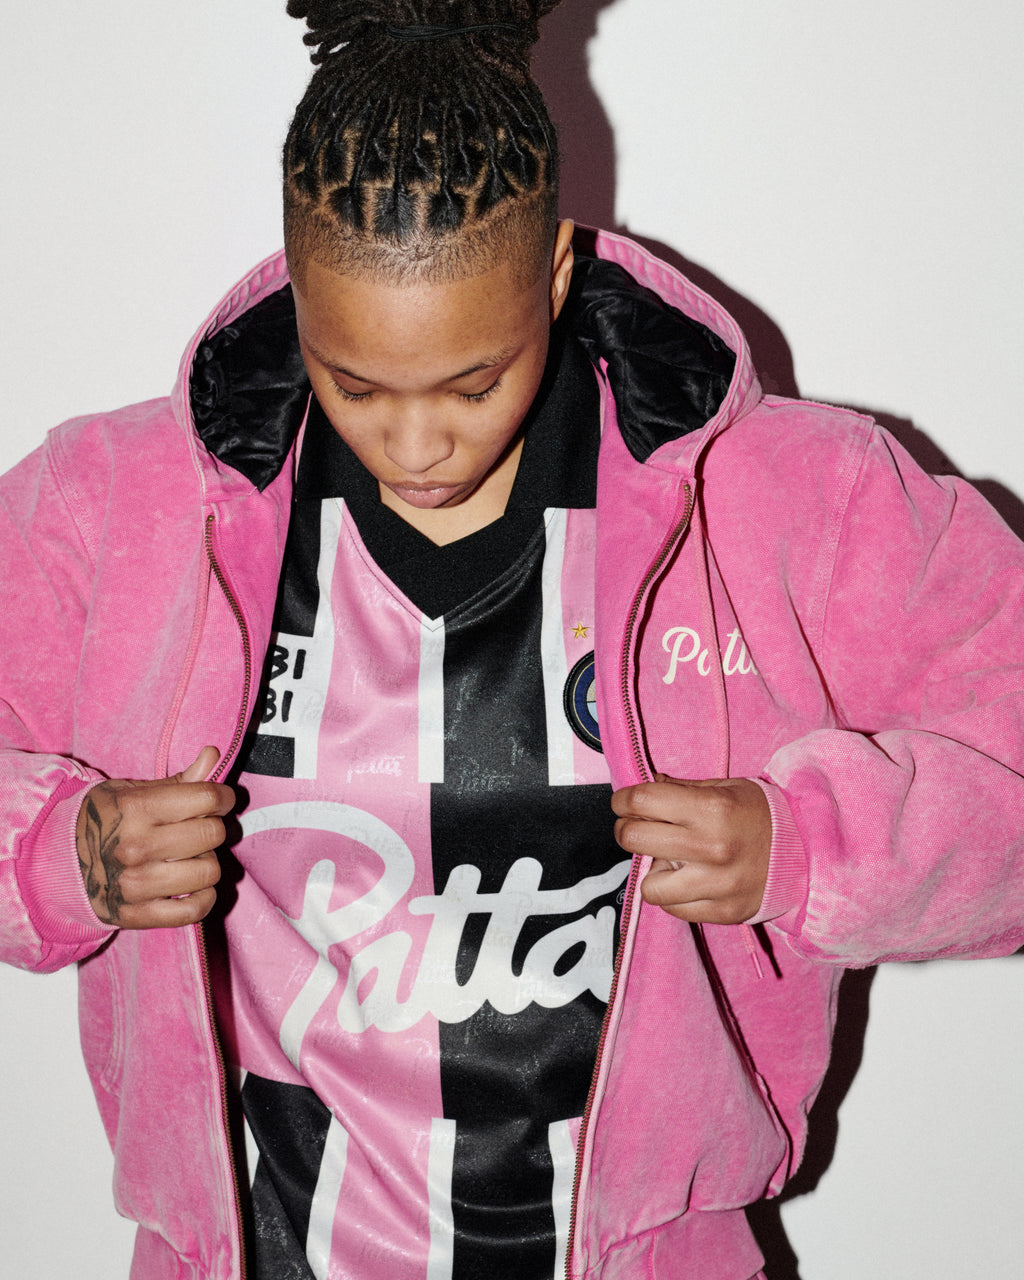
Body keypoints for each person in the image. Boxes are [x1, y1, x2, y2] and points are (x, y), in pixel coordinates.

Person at [2, 2, 1023, 1277]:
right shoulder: (108, 507)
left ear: (553, 274)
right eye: (355, 382)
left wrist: (810, 847)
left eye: (473, 382)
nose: (416, 442)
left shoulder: (798, 500)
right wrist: (58, 854)